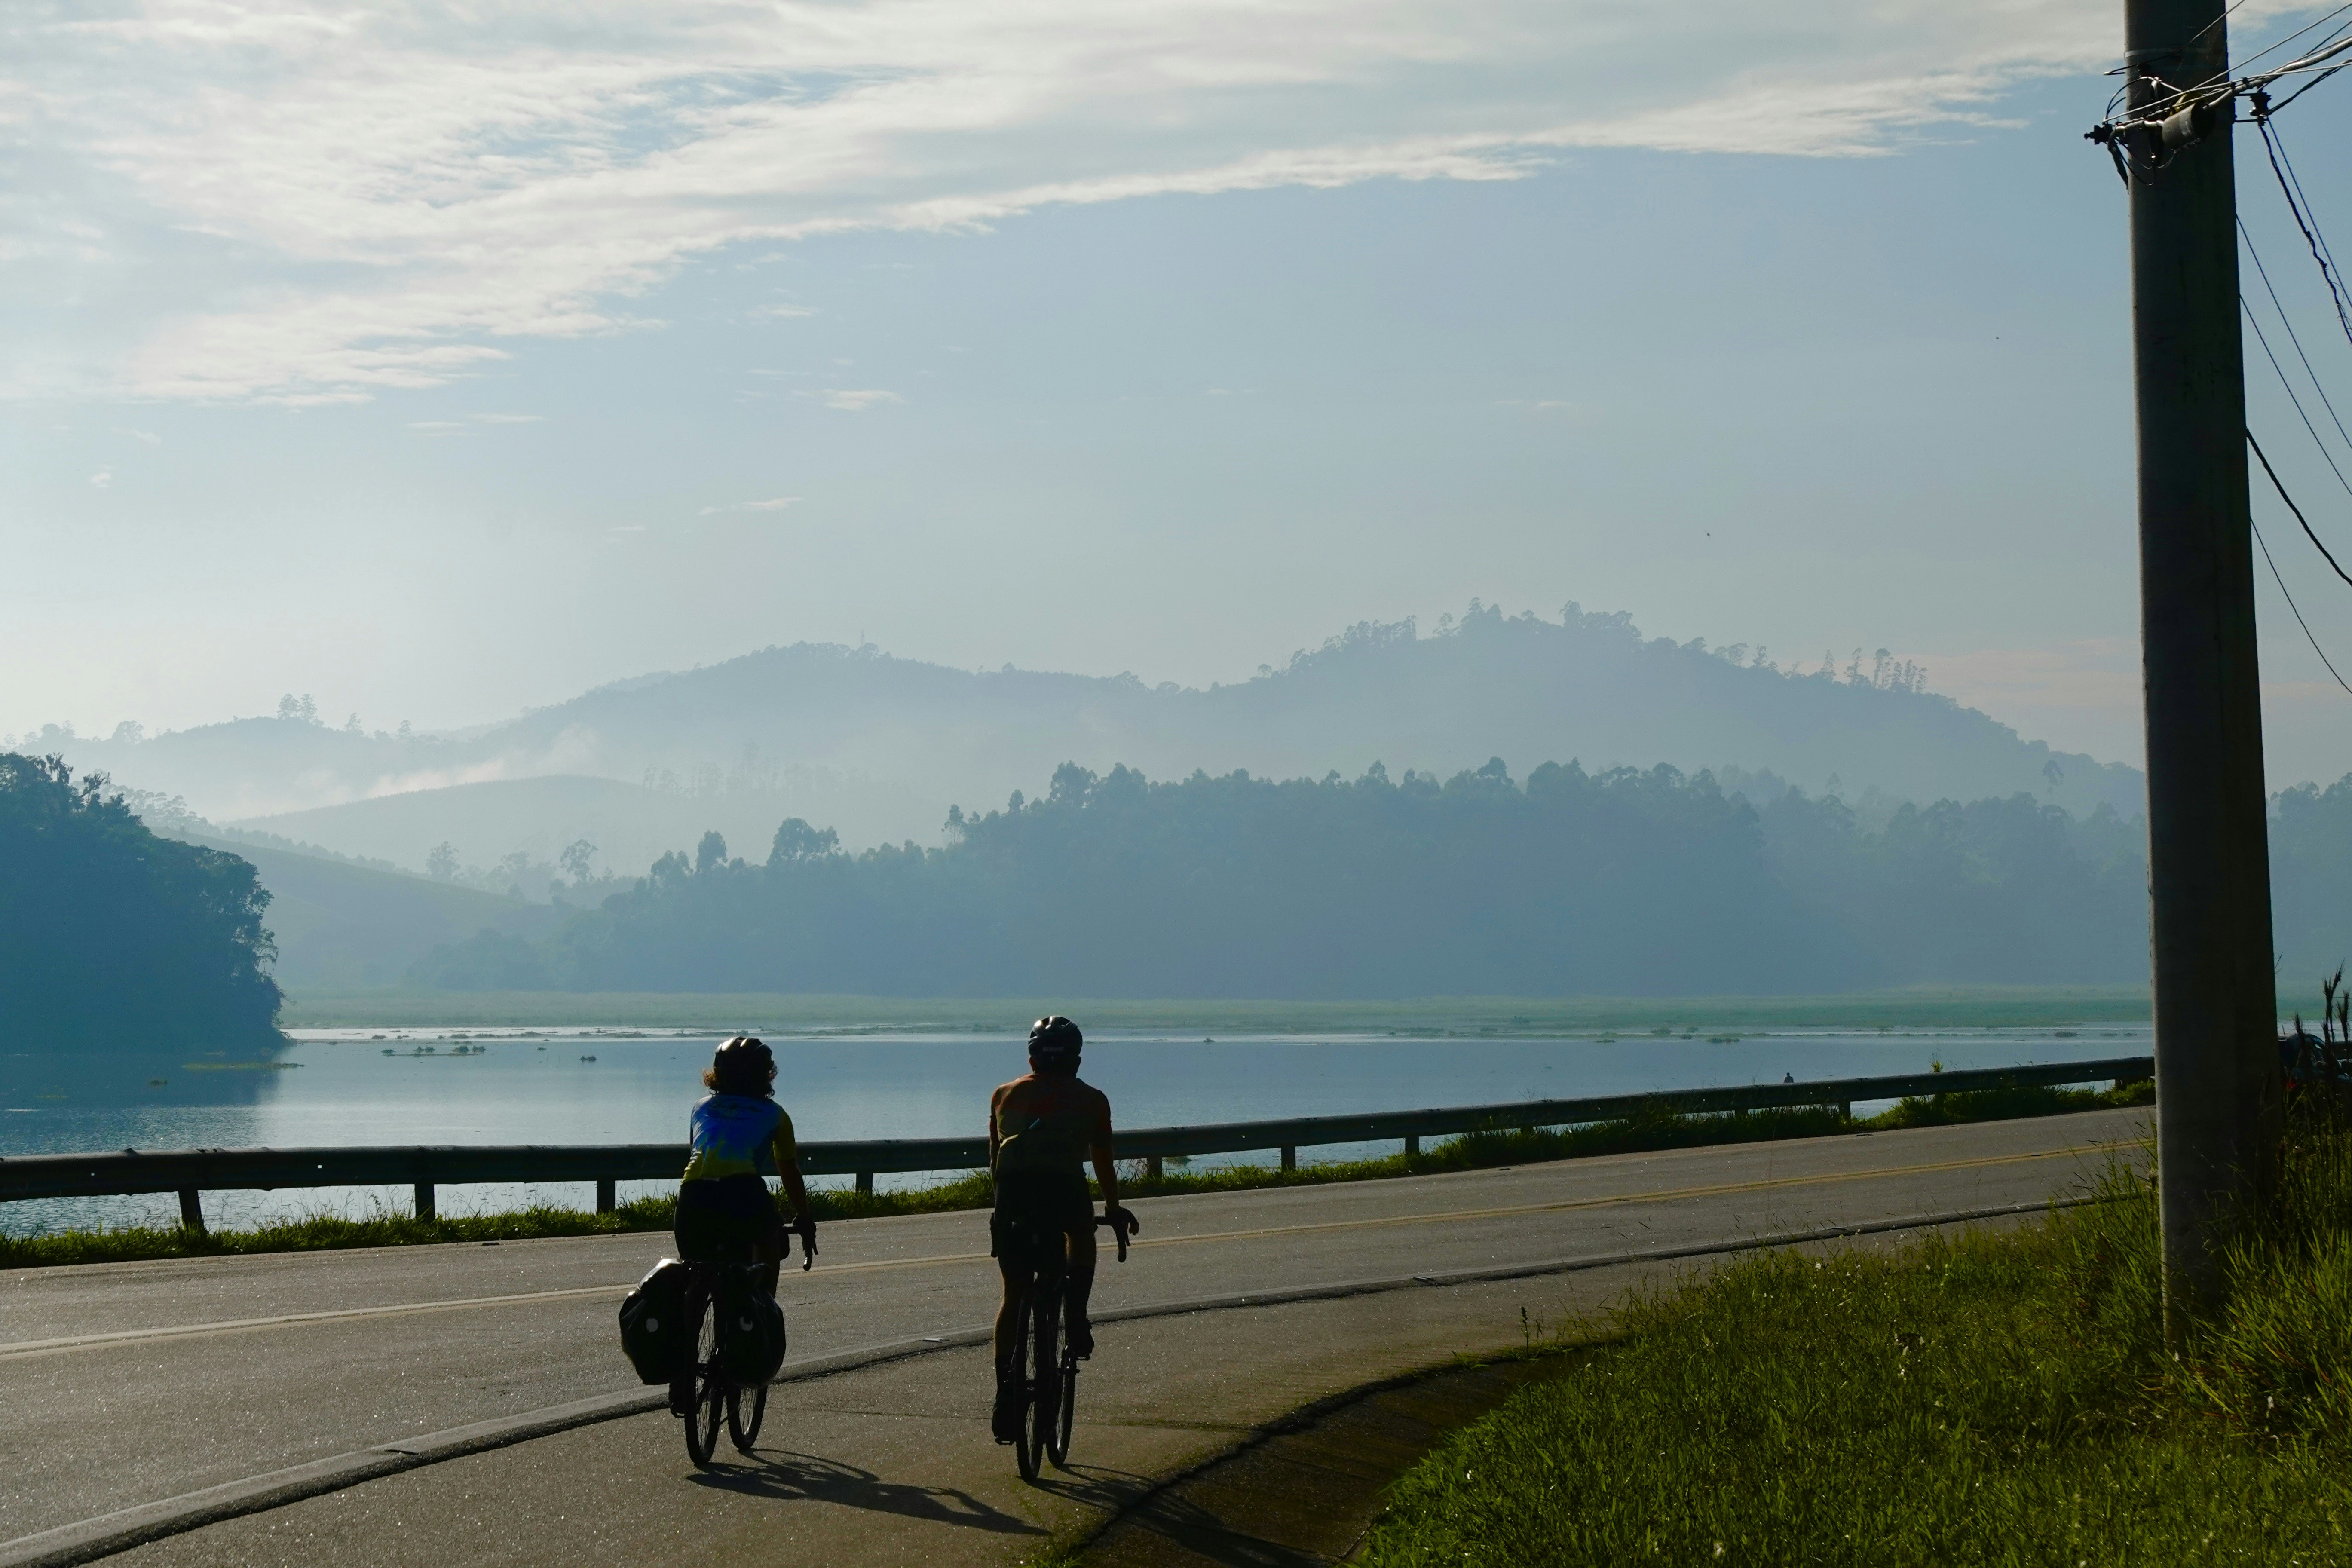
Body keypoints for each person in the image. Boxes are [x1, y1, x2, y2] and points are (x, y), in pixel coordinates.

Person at [988, 1015, 1134, 1443]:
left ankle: (1005, 1394)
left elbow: (996, 1162)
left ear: (1032, 1057)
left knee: (1014, 1293)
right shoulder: (1092, 1100)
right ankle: (1076, 1316)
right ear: (1077, 1061)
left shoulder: (1004, 1095)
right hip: (1063, 1192)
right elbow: (1103, 1160)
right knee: (1082, 1232)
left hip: (1013, 1198)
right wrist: (1112, 1207)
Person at [672, 1035, 816, 1413]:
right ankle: (758, 1318)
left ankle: (682, 1372)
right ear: (766, 1076)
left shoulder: (700, 1107)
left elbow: (698, 1152)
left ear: (716, 1076)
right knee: (764, 1262)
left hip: (693, 1199)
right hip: (743, 1196)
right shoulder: (775, 1115)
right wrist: (804, 1217)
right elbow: (788, 1170)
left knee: (696, 1277)